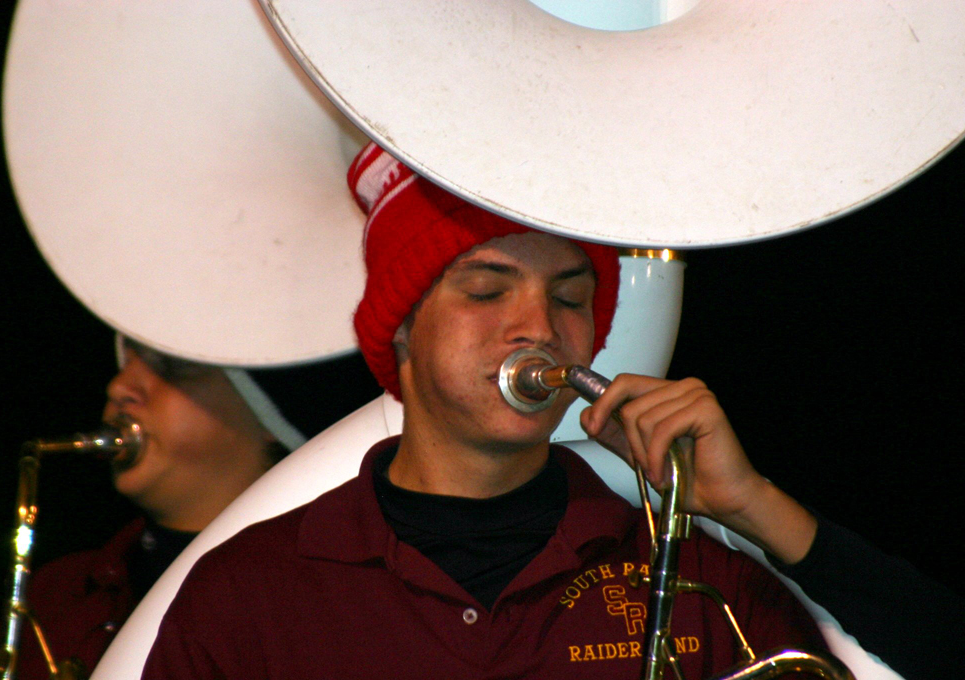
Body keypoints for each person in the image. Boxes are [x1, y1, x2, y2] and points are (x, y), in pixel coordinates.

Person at [140, 143, 830, 679]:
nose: (539, 326)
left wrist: (752, 504)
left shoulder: (697, 579)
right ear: (403, 325)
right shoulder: (246, 591)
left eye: (568, 298)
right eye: (487, 290)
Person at [0, 335, 377, 680]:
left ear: (274, 414)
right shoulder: (59, 594)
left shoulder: (333, 606)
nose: (119, 386)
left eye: (172, 367)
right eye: (126, 361)